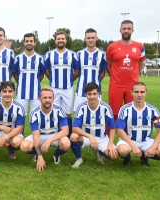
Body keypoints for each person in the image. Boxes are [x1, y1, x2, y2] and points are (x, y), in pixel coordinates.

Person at [44, 31, 80, 163]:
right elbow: (47, 70)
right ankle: (55, 137)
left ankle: (68, 138)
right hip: (54, 88)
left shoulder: (72, 54)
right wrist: (52, 81)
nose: (60, 40)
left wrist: (70, 81)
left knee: (67, 114)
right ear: (55, 40)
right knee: (52, 112)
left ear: (66, 40)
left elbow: (77, 71)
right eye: (58, 38)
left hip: (67, 89)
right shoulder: (49, 54)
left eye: (63, 39)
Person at [116, 82, 160, 167]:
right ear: (132, 93)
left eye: (142, 92)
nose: (139, 94)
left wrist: (153, 147)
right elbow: (119, 130)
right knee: (123, 150)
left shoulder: (153, 110)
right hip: (128, 140)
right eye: (136, 92)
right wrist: (133, 146)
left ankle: (144, 156)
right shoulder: (125, 109)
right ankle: (127, 158)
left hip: (146, 141)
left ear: (146, 93)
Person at [20, 87, 70, 171]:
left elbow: (65, 131)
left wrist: (49, 141)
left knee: (66, 144)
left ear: (53, 99)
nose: (47, 100)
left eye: (50, 97)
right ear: (39, 99)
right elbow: (36, 136)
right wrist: (40, 157)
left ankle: (56, 155)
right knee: (24, 147)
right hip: (40, 135)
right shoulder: (34, 113)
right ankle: (38, 154)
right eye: (45, 97)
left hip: (55, 135)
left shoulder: (60, 110)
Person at [70, 82, 118, 168]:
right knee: (73, 137)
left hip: (102, 138)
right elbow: (75, 128)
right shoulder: (81, 107)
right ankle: (79, 159)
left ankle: (98, 151)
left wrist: (110, 144)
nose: (92, 97)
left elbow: (113, 128)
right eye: (89, 94)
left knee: (113, 156)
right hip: (86, 137)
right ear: (86, 95)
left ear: (98, 94)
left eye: (94, 94)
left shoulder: (106, 108)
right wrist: (90, 137)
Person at [106, 20, 146, 122]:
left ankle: (129, 136)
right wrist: (115, 77)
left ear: (133, 30)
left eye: (129, 29)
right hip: (116, 85)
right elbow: (108, 64)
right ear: (120, 30)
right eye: (124, 29)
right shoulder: (112, 47)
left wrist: (134, 77)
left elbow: (140, 64)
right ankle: (110, 137)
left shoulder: (139, 47)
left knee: (132, 112)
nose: (126, 31)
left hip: (132, 86)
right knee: (114, 114)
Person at [74, 28, 106, 111]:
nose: (90, 40)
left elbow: (102, 72)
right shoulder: (79, 54)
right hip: (81, 92)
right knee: (80, 116)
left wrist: (96, 82)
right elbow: (77, 71)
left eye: (93, 38)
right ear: (85, 39)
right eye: (88, 38)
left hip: (96, 92)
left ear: (96, 38)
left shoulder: (102, 54)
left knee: (95, 115)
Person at [13, 33, 45, 114]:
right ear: (24, 43)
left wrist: (35, 83)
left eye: (31, 41)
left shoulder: (40, 58)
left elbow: (41, 74)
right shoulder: (18, 58)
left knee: (37, 117)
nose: (29, 43)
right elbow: (15, 73)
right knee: (20, 117)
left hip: (36, 94)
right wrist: (21, 82)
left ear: (35, 43)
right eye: (27, 41)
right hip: (21, 93)